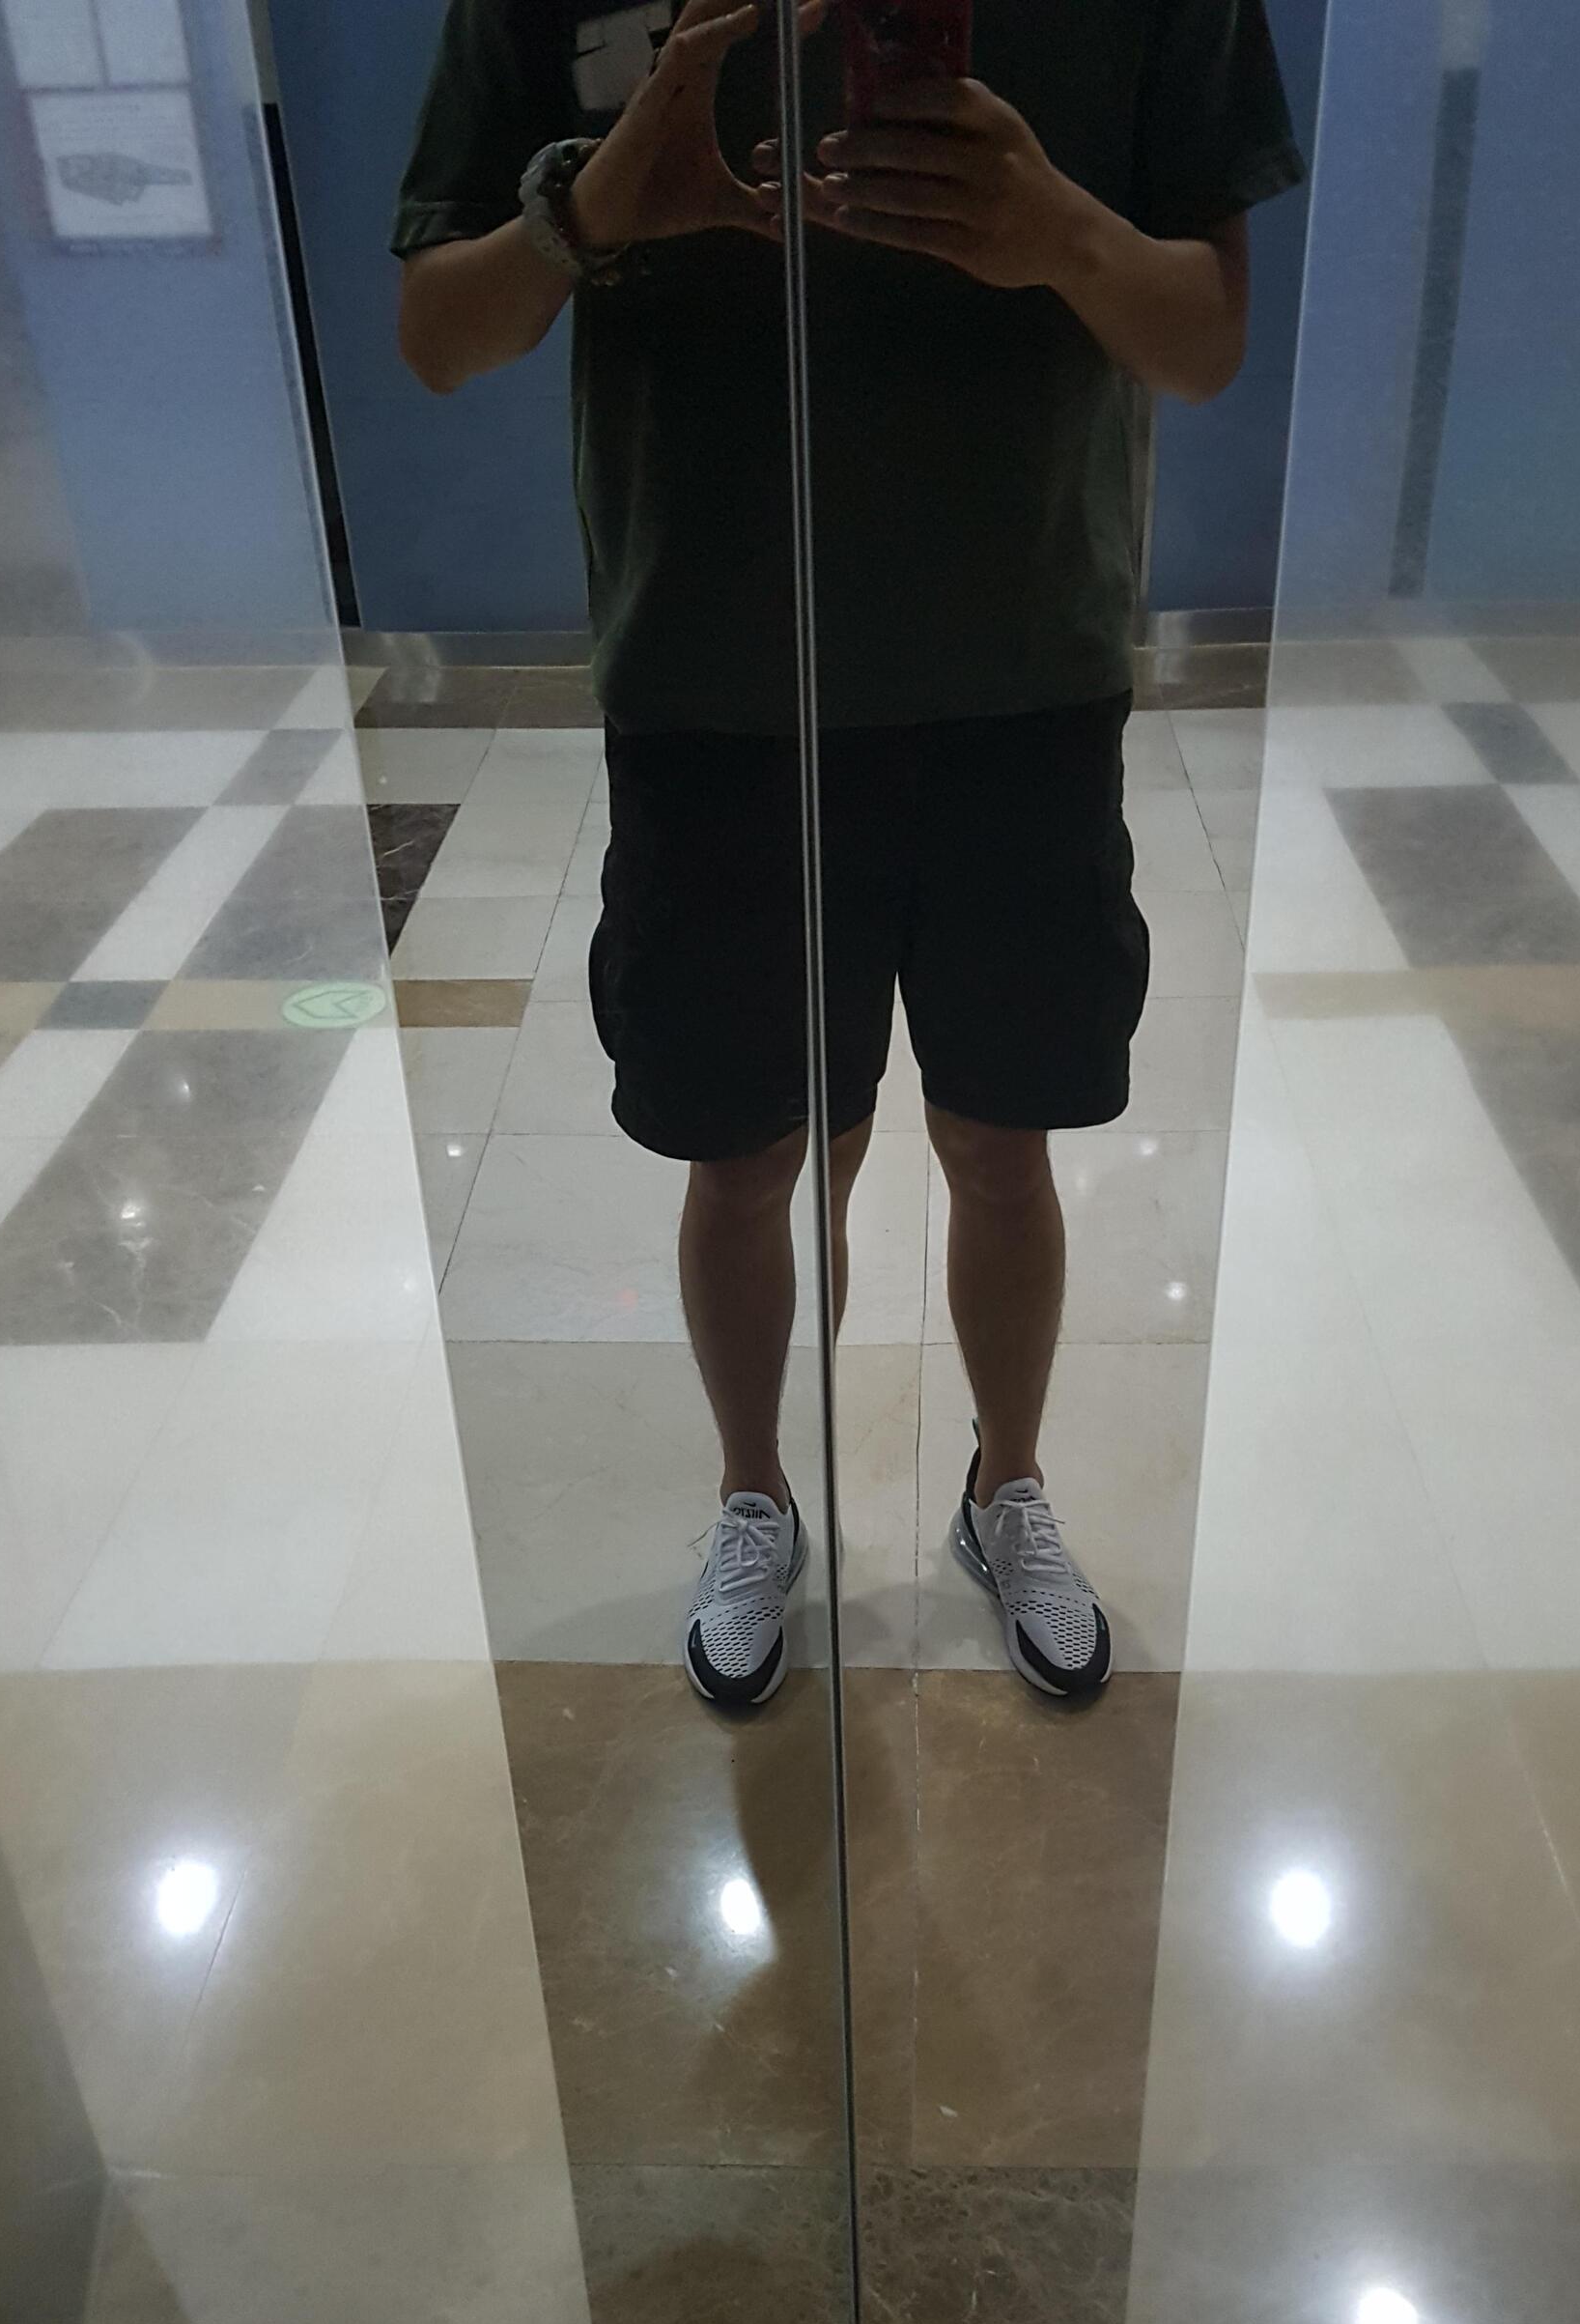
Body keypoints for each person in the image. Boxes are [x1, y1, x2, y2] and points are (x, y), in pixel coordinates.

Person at [394, 0, 1303, 1710]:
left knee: (1002, 1139)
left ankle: (1006, 1483)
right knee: (746, 1153)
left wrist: (1059, 233)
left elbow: (1204, 338)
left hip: (1020, 662)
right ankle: (755, 1495)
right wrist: (589, 211)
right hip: (715, 675)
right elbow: (439, 333)